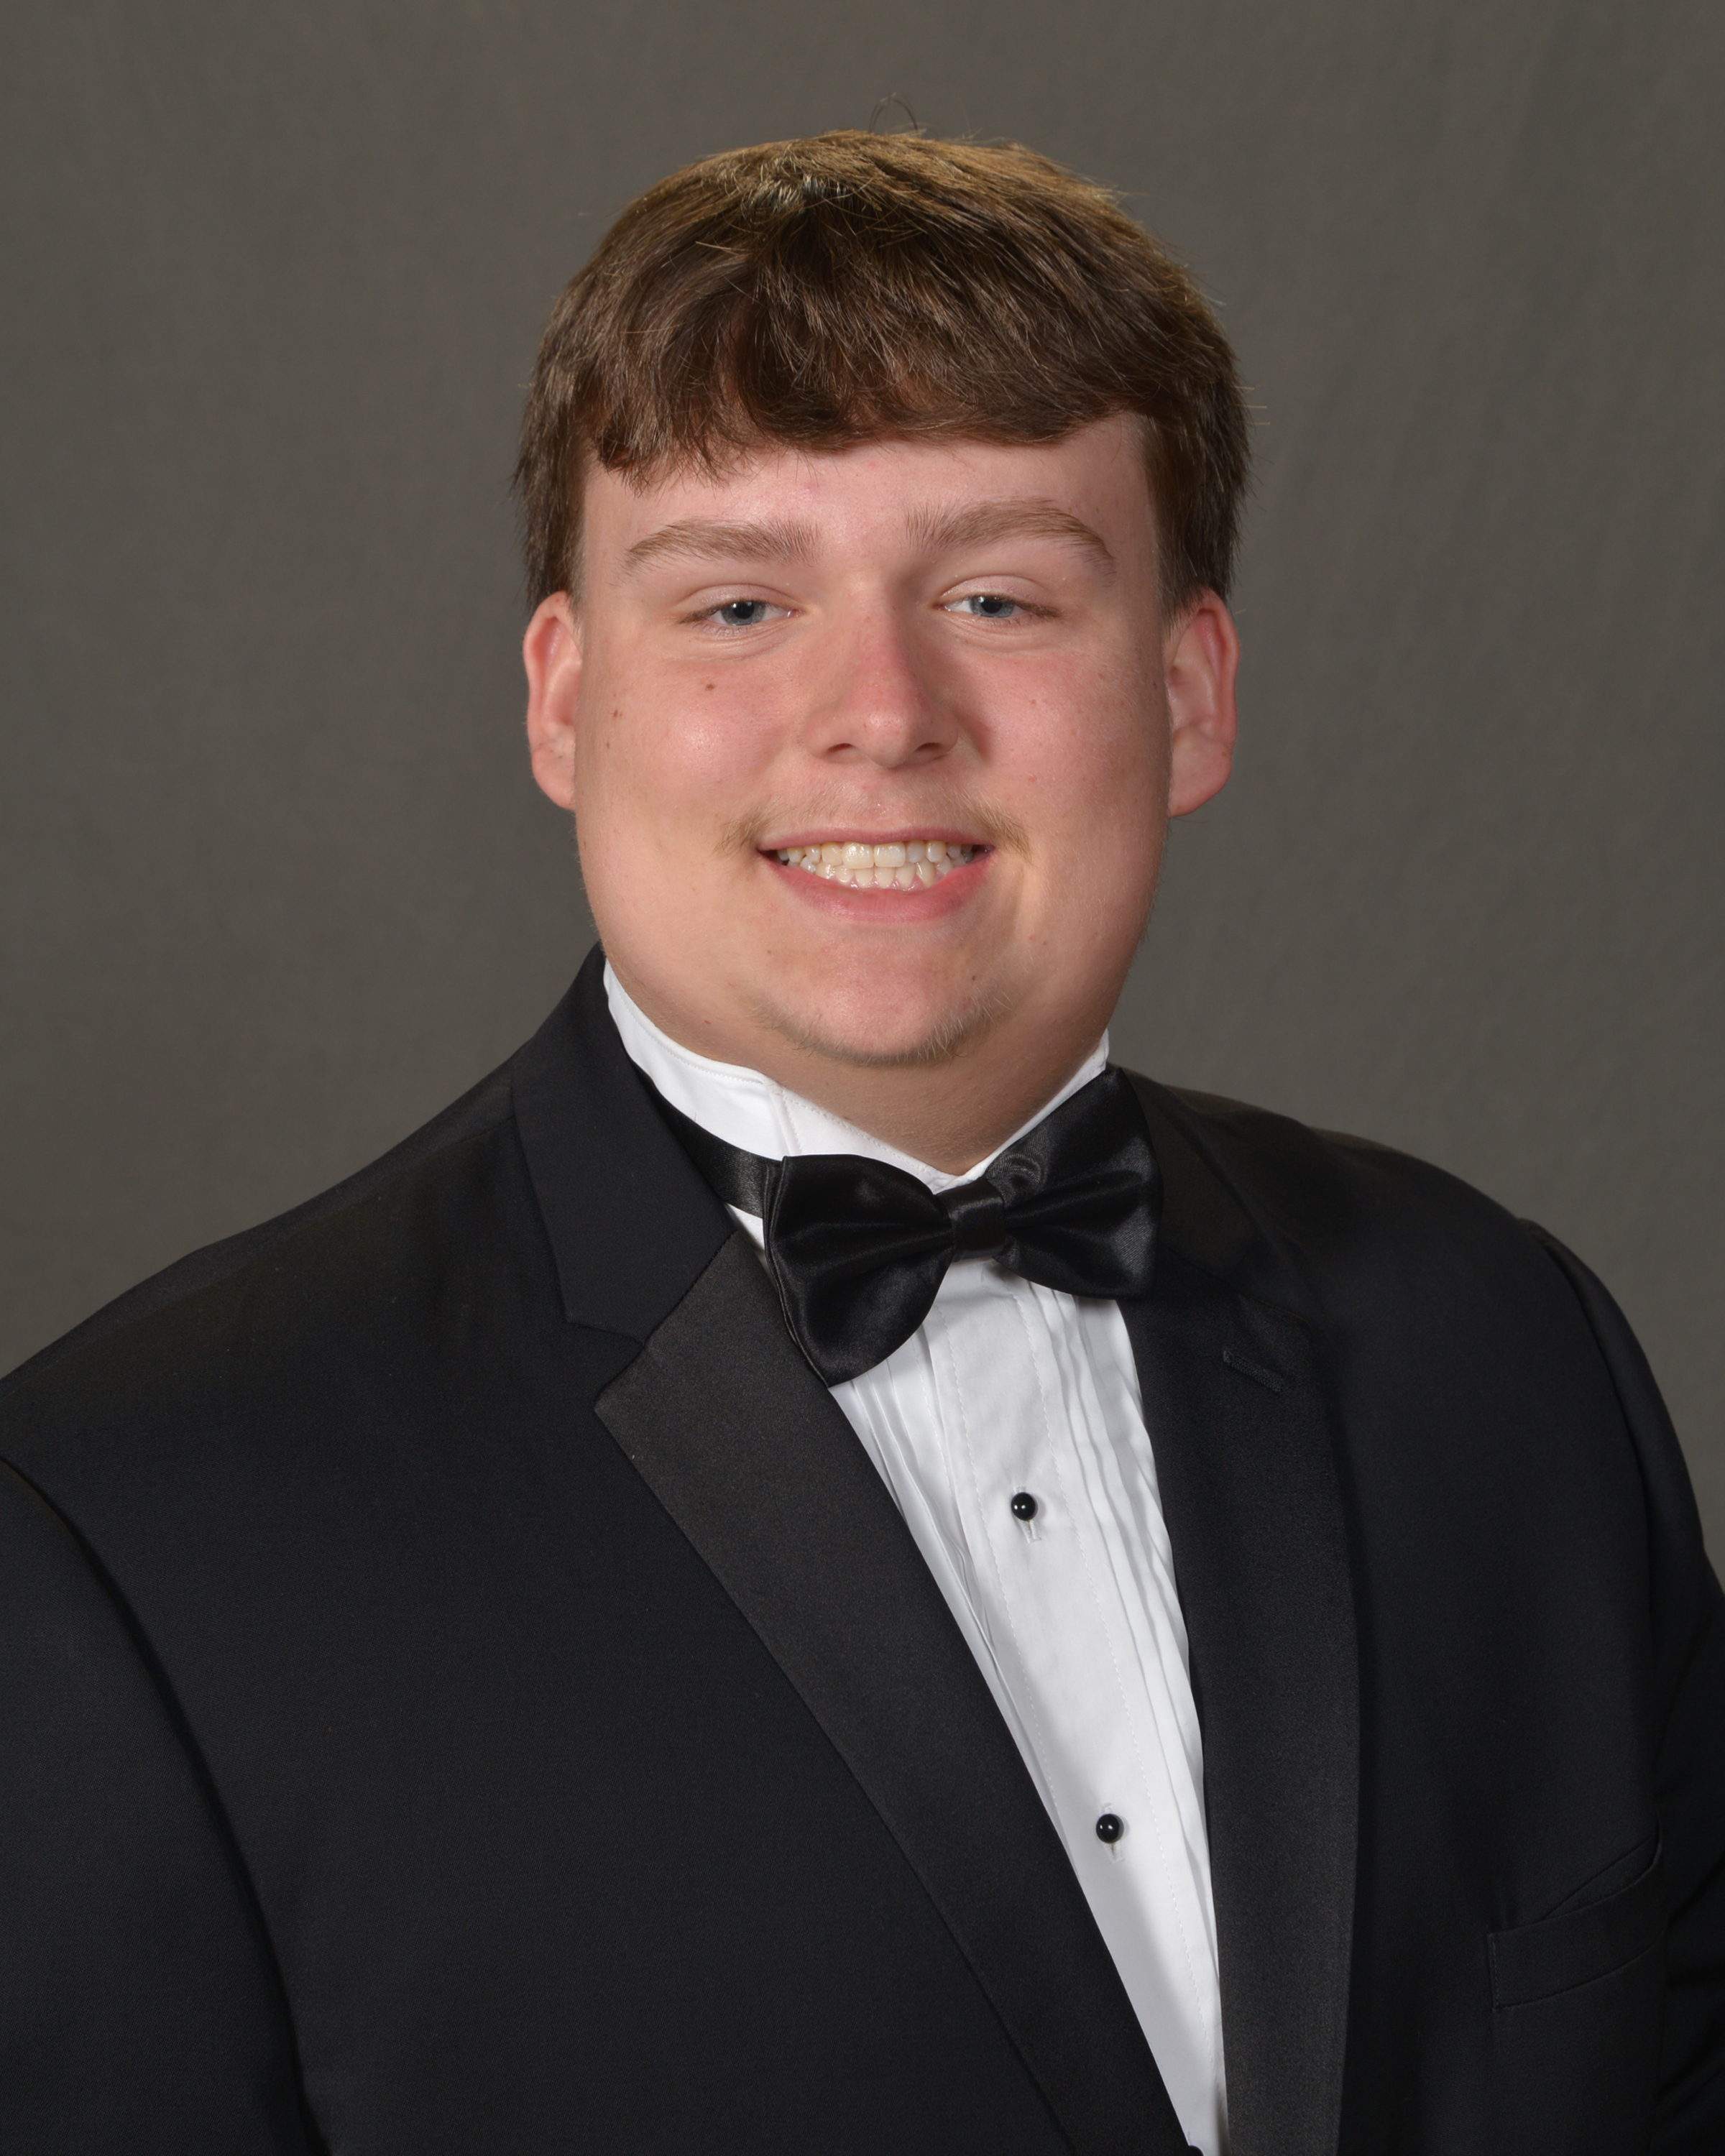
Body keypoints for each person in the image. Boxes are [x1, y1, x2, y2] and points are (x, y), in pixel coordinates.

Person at [1, 130, 1719, 2156]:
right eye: (738, 603)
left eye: (998, 595)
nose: (882, 713)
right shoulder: (128, 1524)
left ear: (1188, 695)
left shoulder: (1507, 1348)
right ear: (564, 702)